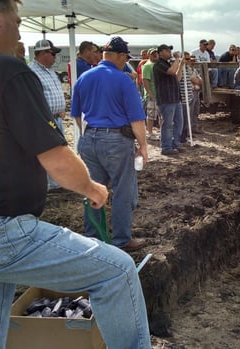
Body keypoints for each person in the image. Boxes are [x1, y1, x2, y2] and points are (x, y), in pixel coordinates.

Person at [0, 2, 151, 348]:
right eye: (17, 20)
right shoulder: (8, 70)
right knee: (117, 271)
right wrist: (92, 188)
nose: (20, 31)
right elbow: (58, 160)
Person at [71, 36, 149, 253]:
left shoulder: (84, 77)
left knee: (93, 189)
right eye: (126, 58)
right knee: (123, 190)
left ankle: (93, 237)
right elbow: (136, 119)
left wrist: (88, 135)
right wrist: (143, 145)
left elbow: (77, 115)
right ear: (121, 56)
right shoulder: (123, 79)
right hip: (116, 140)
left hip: (89, 139)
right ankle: (122, 239)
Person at [29, 39, 67, 190]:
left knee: (58, 151)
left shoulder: (50, 71)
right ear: (43, 53)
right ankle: (47, 184)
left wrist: (61, 108)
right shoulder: (31, 71)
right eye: (52, 54)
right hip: (45, 121)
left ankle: (55, 182)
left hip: (56, 119)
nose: (54, 57)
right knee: (48, 152)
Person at [154, 43, 185, 156]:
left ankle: (175, 144)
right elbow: (172, 72)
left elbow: (177, 77)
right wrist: (177, 59)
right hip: (166, 99)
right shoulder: (159, 64)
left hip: (175, 98)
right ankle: (166, 147)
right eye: (167, 51)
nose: (170, 53)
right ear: (161, 52)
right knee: (167, 124)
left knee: (179, 122)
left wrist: (180, 65)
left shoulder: (167, 64)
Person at [142, 47, 161, 140]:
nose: (155, 54)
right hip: (152, 94)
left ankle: (162, 132)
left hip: (160, 94)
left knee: (161, 114)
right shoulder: (147, 66)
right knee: (151, 115)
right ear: (149, 55)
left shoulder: (158, 64)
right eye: (153, 53)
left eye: (156, 53)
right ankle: (149, 133)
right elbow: (145, 80)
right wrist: (149, 92)